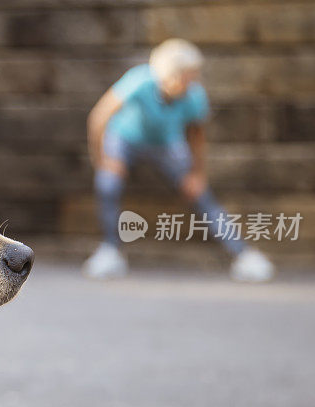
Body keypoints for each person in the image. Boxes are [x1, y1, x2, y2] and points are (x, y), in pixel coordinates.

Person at [83, 39, 274, 281]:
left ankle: (243, 254)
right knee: (108, 182)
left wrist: (197, 173)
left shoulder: (194, 95)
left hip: (167, 145)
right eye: (187, 75)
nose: (193, 80)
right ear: (168, 76)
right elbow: (100, 116)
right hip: (124, 139)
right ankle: (110, 251)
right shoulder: (139, 81)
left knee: (199, 193)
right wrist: (103, 159)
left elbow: (196, 135)